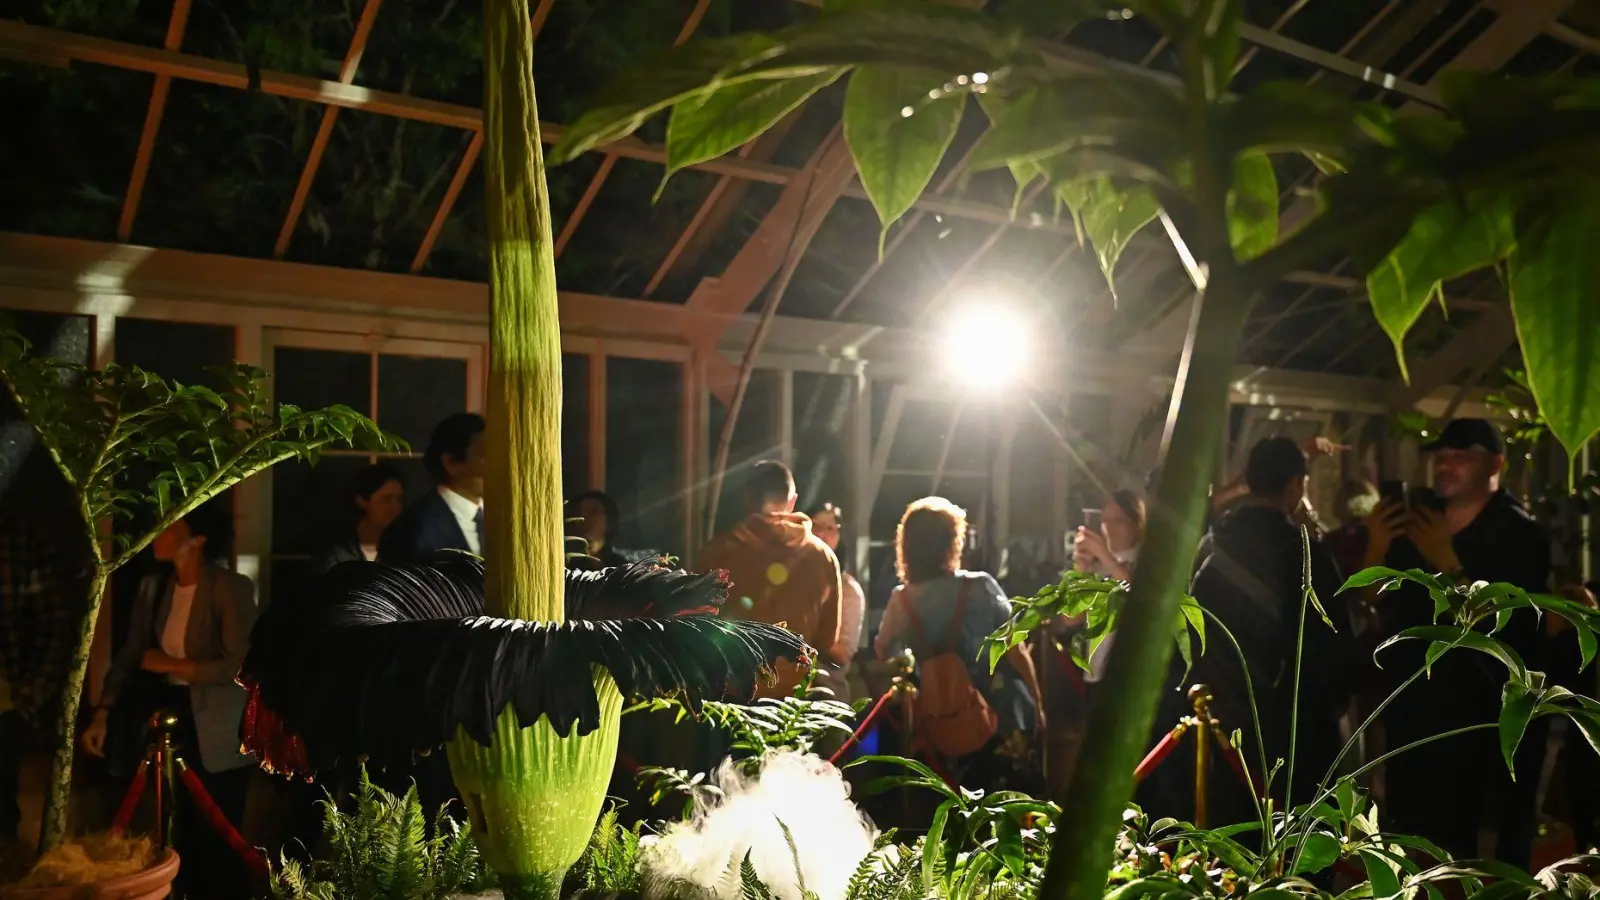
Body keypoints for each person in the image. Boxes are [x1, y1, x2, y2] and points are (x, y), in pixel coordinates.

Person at [1364, 419, 1550, 867]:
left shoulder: (1518, 533)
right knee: (1411, 845)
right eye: (1441, 458)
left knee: (1476, 855)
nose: (1445, 467)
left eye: (1460, 457)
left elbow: (1511, 632)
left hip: (1480, 720)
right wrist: (1376, 546)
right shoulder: (1420, 521)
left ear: (1495, 465)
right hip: (1414, 711)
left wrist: (1448, 563)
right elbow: (1375, 600)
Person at [1175, 436, 1355, 827]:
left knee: (1227, 848)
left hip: (1218, 727)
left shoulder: (1210, 546)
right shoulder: (1305, 552)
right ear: (1295, 484)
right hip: (1292, 735)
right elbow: (1335, 650)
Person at [80, 508, 257, 897]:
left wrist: (176, 665)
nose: (158, 534)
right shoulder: (152, 587)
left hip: (216, 725)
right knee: (174, 831)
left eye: (171, 527)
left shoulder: (229, 586)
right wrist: (102, 714)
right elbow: (129, 656)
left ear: (198, 539)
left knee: (219, 835)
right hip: (169, 716)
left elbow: (241, 664)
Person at [875, 497, 1044, 792]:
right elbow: (1014, 648)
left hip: (937, 724)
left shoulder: (901, 600)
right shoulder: (980, 587)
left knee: (946, 806)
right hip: (997, 717)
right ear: (951, 543)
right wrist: (1038, 703)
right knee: (1006, 805)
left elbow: (884, 651)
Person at [700, 460, 841, 698]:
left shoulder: (719, 553)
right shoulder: (823, 557)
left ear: (747, 498)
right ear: (792, 500)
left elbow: (696, 626)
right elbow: (827, 640)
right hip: (792, 706)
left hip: (730, 699)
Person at [380, 413, 485, 565]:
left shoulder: (505, 517)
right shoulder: (412, 529)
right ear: (451, 463)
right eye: (487, 454)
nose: (501, 464)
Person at [1067, 490, 1146, 686]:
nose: (1109, 527)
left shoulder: (1144, 564)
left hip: (1131, 675)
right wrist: (1080, 571)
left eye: (1118, 520)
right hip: (1096, 674)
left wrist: (1103, 554)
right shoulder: (1097, 568)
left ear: (1136, 525)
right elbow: (1071, 619)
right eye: (1105, 519)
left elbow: (1138, 597)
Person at [807, 502, 866, 699]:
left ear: (839, 536)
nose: (822, 533)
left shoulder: (848, 590)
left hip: (828, 696)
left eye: (830, 528)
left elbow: (841, 655)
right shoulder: (787, 579)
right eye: (816, 525)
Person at [314, 462, 405, 572]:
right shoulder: (336, 553)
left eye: (399, 499)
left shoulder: (404, 550)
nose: (395, 508)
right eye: (386, 499)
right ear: (361, 501)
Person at [568, 489, 629, 569]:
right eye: (579, 513)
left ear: (609, 519)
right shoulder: (567, 562)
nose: (583, 518)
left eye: (593, 512)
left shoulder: (622, 567)